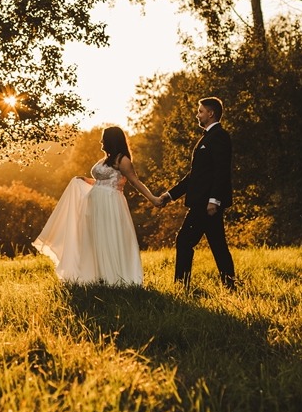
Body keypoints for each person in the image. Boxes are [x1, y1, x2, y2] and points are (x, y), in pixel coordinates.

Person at [33, 125, 165, 286]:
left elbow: (135, 181)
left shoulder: (122, 160)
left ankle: (114, 278)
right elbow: (102, 181)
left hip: (110, 204)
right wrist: (85, 180)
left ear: (111, 140)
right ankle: (97, 276)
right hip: (95, 203)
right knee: (93, 238)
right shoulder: (105, 160)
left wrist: (153, 199)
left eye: (104, 138)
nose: (101, 141)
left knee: (109, 237)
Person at [157, 97, 237, 289]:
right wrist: (170, 195)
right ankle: (231, 285)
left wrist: (214, 200)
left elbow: (221, 170)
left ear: (211, 113)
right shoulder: (206, 137)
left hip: (205, 203)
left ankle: (181, 286)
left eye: (200, 111)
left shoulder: (219, 136)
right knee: (218, 246)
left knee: (184, 241)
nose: (197, 114)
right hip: (204, 202)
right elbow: (195, 176)